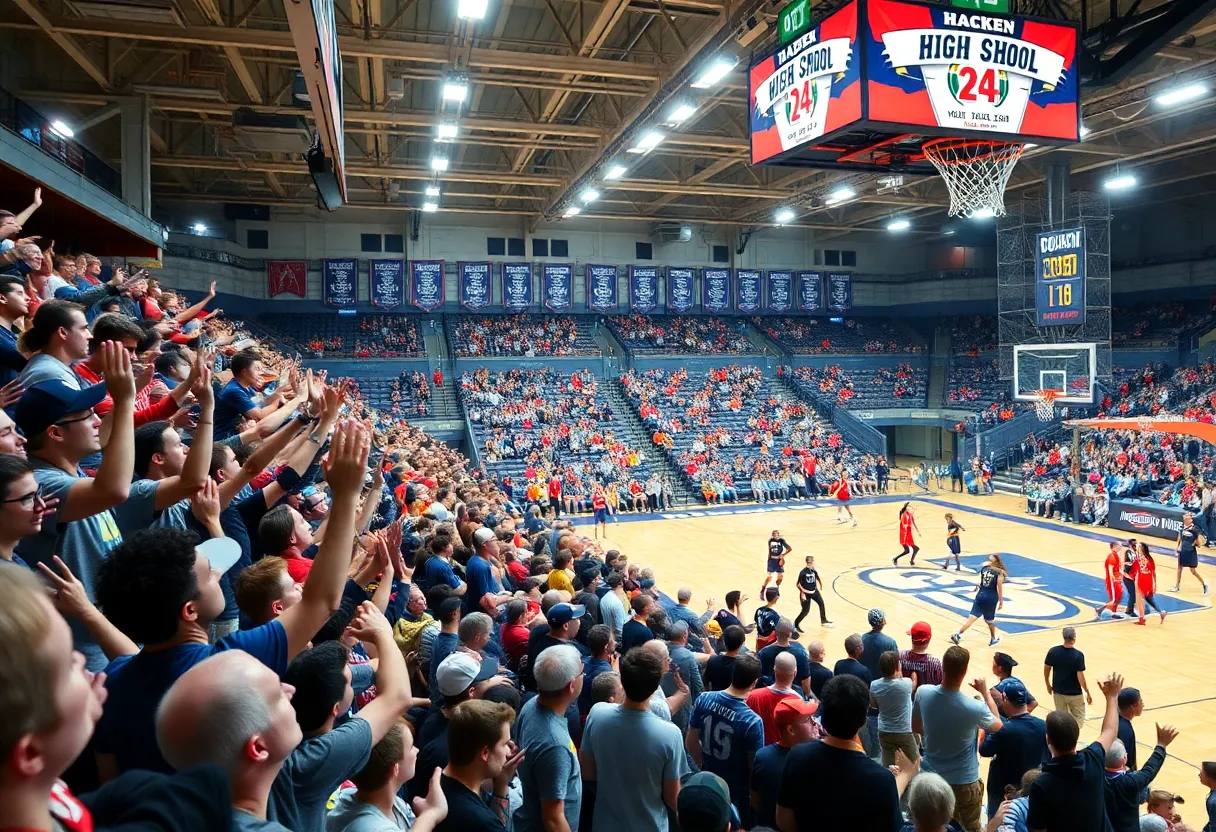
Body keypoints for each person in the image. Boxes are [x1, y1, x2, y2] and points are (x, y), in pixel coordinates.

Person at [93, 419, 370, 778]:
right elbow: (323, 600)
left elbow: (109, 776)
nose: (221, 572)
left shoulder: (113, 678)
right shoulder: (231, 662)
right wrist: (348, 495)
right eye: (210, 574)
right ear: (189, 610)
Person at [0, 566, 234, 832]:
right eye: (68, 664)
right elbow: (208, 786)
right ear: (31, 753)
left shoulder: (40, 789)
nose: (81, 660)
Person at [14, 343, 135, 671]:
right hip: (88, 658)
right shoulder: (40, 483)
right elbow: (114, 489)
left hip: (109, 640)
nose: (98, 421)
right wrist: (124, 402)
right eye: (88, 415)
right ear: (55, 433)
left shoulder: (73, 471)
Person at [775, 675, 908, 832]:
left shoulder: (798, 756)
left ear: (823, 718)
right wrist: (905, 776)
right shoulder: (881, 778)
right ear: (864, 721)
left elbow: (783, 821)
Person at [580, 646, 687, 831]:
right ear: (655, 687)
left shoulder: (597, 713)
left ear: (622, 681)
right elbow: (672, 797)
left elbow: (588, 773)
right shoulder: (670, 734)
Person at [912, 645, 1002, 832]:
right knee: (970, 829)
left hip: (931, 778)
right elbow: (999, 726)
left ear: (942, 668)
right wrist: (985, 693)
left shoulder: (923, 692)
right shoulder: (974, 708)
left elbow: (915, 727)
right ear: (965, 671)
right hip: (964, 782)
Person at [1025, 672, 1125, 832]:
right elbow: (1110, 730)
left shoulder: (1042, 785)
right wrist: (1112, 697)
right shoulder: (1093, 758)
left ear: (1048, 739)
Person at [687, 653, 765, 825]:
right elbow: (753, 767)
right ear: (754, 683)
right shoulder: (752, 721)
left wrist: (701, 767)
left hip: (706, 779)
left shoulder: (704, 698)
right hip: (736, 792)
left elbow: (690, 741)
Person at [513, 644, 583, 832]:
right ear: (571, 686)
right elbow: (553, 819)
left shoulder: (531, 704)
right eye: (581, 672)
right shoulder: (555, 745)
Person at [432, 700, 524, 832]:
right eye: (505, 744)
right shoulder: (482, 822)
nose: (510, 750)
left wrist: (501, 783)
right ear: (485, 753)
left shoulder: (439, 786)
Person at [978, 679, 1047, 821]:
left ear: (1005, 699)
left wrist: (983, 732)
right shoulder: (1043, 725)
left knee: (996, 821)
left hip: (1002, 788)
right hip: (1029, 787)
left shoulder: (1005, 730)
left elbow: (984, 750)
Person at [750, 698, 819, 828]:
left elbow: (755, 802)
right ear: (791, 730)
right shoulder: (815, 760)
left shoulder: (762, 756)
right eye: (807, 719)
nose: (814, 723)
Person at [1103, 727, 1177, 832]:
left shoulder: (1094, 778)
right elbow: (1150, 769)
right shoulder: (1132, 782)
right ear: (1124, 759)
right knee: (1157, 824)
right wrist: (1161, 745)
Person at [870, 650, 917, 767]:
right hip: (904, 731)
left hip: (884, 731)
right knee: (914, 762)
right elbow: (914, 684)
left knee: (888, 764)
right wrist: (914, 675)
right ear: (897, 668)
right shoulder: (906, 683)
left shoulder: (874, 685)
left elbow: (874, 705)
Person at [950, 553, 1007, 647]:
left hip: (980, 595)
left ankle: (958, 634)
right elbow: (999, 587)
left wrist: (977, 587)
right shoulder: (1000, 572)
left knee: (972, 618)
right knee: (990, 620)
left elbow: (981, 582)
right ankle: (993, 639)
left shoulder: (984, 569)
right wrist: (1001, 601)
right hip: (991, 597)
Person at [748, 652, 805, 745]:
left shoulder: (753, 696)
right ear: (795, 672)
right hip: (784, 755)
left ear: (774, 670)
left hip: (757, 751)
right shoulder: (798, 702)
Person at [1043, 626, 1090, 729]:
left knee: (1061, 720)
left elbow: (1047, 669)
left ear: (1063, 637)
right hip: (1075, 694)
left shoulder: (1053, 651)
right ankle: (1071, 739)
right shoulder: (1078, 655)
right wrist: (1087, 691)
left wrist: (1048, 684)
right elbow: (1080, 676)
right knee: (1078, 720)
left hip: (1058, 692)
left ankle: (1063, 742)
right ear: (1074, 638)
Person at [1171, 511, 1209, 595]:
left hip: (1191, 552)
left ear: (1191, 519)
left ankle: (1204, 584)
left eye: (1186, 517)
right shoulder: (1182, 528)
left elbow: (1198, 544)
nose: (1184, 518)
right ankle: (1177, 586)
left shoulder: (1195, 530)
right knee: (1179, 569)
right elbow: (1179, 538)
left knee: (1193, 571)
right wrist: (1176, 548)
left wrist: (1196, 543)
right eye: (1184, 517)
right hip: (1183, 551)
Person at [793, 555, 832, 632]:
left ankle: (823, 620)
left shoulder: (813, 570)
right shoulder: (803, 572)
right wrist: (802, 593)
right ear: (811, 562)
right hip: (806, 594)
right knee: (805, 611)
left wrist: (820, 585)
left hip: (814, 591)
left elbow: (817, 577)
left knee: (821, 603)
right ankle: (796, 624)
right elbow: (798, 584)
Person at [902, 622, 943, 691]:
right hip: (927, 700)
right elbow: (941, 686)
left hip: (904, 699)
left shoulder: (900, 656)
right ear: (929, 639)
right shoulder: (936, 663)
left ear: (912, 638)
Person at [704, 624, 746, 691]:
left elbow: (706, 681)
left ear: (724, 641)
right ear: (742, 642)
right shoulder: (744, 666)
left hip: (716, 697)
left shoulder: (712, 661)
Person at [1133, 542, 1167, 625]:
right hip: (1149, 580)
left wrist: (1123, 572)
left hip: (1141, 580)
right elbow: (1153, 572)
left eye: (1138, 546)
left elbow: (1133, 572)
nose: (1136, 547)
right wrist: (1155, 584)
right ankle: (1161, 611)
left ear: (1141, 549)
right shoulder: (1150, 558)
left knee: (1140, 600)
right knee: (1149, 598)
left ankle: (1141, 619)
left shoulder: (1138, 559)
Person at [1097, 541, 1126, 617]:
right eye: (1120, 545)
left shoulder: (1116, 555)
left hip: (1116, 579)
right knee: (1114, 598)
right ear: (1115, 546)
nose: (1121, 546)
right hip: (1112, 580)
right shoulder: (1112, 556)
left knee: (1119, 595)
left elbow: (1118, 568)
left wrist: (1124, 575)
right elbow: (1110, 568)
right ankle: (1107, 611)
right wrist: (1112, 578)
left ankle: (1102, 609)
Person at [1117, 688, 1143, 771]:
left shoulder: (1116, 720)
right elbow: (1126, 762)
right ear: (1132, 707)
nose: (1143, 705)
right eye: (1141, 702)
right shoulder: (1126, 731)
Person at [763, 529, 792, 594]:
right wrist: (768, 560)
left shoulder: (781, 541)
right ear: (773, 535)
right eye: (775, 534)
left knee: (780, 577)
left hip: (779, 560)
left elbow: (789, 548)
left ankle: (776, 588)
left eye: (777, 534)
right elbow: (769, 551)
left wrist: (783, 555)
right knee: (769, 577)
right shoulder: (770, 541)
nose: (776, 535)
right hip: (772, 560)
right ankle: (763, 589)